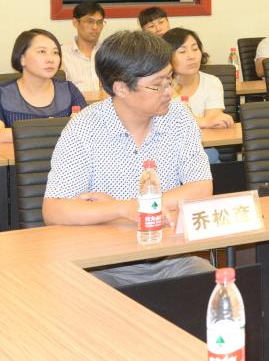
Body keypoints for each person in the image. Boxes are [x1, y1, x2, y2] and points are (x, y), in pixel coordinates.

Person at [42, 30, 214, 287]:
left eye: (170, 79)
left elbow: (201, 188)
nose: (169, 91)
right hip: (103, 264)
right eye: (157, 84)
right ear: (121, 88)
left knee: (214, 286)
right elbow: (55, 209)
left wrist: (134, 208)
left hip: (169, 257)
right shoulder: (84, 128)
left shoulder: (179, 117)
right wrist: (122, 209)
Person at [0, 29, 85, 127]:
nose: (50, 59)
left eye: (55, 52)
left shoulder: (69, 90)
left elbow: (88, 127)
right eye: (42, 51)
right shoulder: (2, 94)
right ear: (22, 59)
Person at [163, 28, 234, 130]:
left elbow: (214, 122)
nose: (191, 56)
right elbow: (162, 123)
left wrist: (206, 122)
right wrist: (204, 122)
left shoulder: (211, 82)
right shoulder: (158, 86)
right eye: (182, 51)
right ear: (167, 56)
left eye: (195, 49)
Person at [62, 1, 105, 93]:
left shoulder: (110, 51)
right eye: (90, 22)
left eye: (99, 22)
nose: (95, 27)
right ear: (75, 23)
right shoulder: (61, 55)